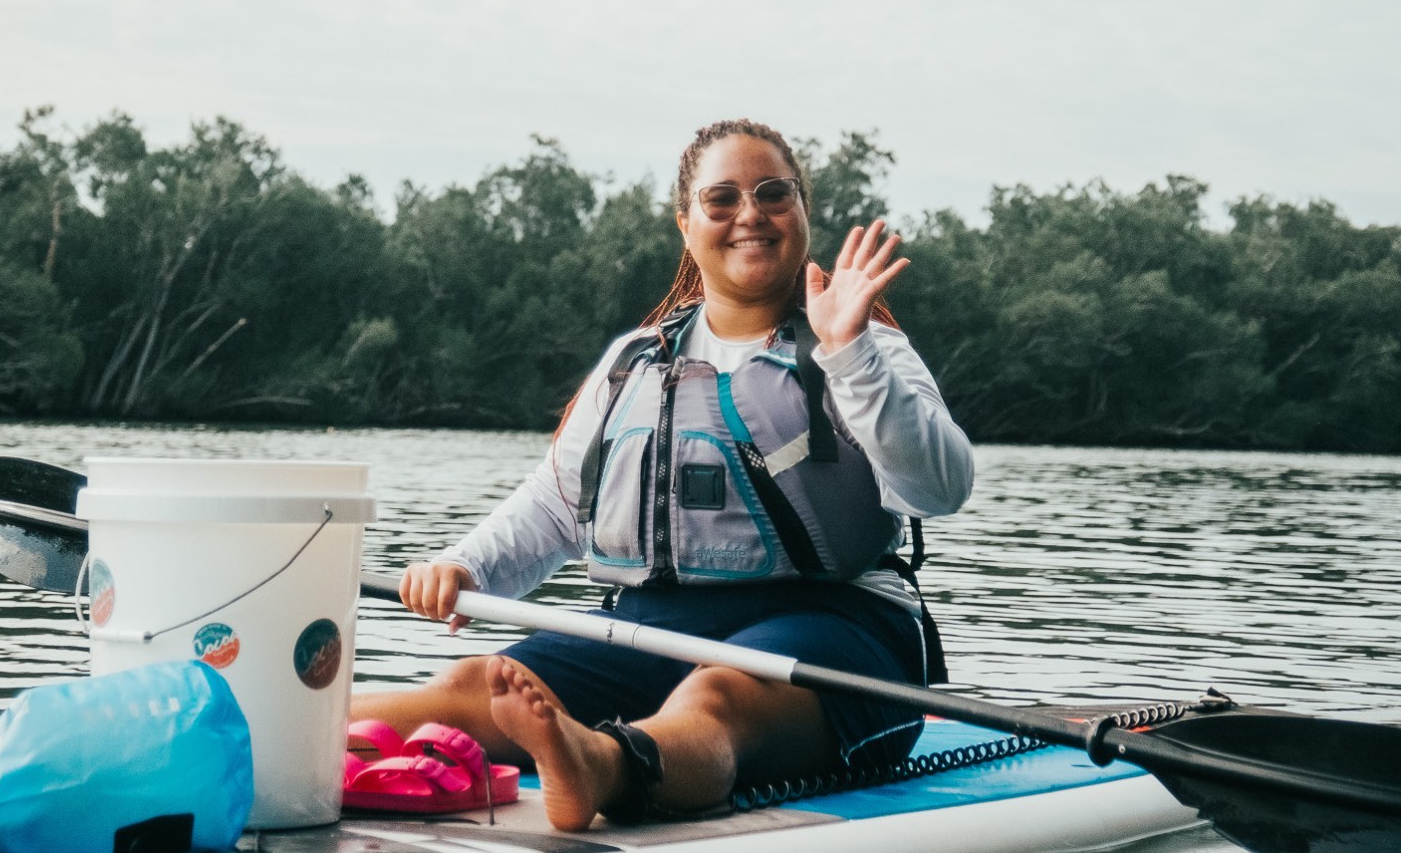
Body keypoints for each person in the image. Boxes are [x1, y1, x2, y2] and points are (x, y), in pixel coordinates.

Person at [350, 118, 975, 831]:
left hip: (836, 630)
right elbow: (556, 508)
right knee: (474, 684)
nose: (750, 214)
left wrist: (849, 354)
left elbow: (942, 486)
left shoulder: (867, 345)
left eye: (774, 193)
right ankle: (286, 723)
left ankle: (601, 764)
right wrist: (465, 566)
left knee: (718, 697)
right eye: (722, 199)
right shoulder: (635, 359)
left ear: (802, 209)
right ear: (687, 223)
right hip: (651, 630)